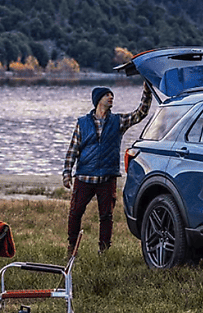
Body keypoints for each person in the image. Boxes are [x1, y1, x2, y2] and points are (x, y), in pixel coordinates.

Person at [61, 81, 152, 255]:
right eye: (107, 95)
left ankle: (104, 251)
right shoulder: (82, 123)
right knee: (75, 212)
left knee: (106, 216)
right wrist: (67, 173)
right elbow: (73, 149)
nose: (111, 97)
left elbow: (140, 113)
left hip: (107, 178)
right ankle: (72, 248)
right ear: (98, 100)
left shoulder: (118, 121)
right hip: (84, 177)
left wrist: (146, 93)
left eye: (112, 95)